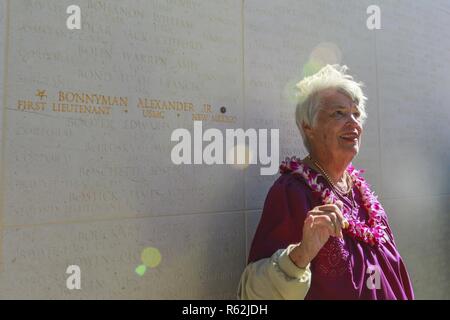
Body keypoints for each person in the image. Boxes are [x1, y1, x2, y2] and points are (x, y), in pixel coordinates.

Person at [237, 64, 414, 300]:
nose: (353, 122)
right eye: (338, 113)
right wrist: (301, 254)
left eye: (356, 113)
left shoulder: (364, 196)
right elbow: (255, 293)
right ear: (308, 127)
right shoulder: (292, 193)